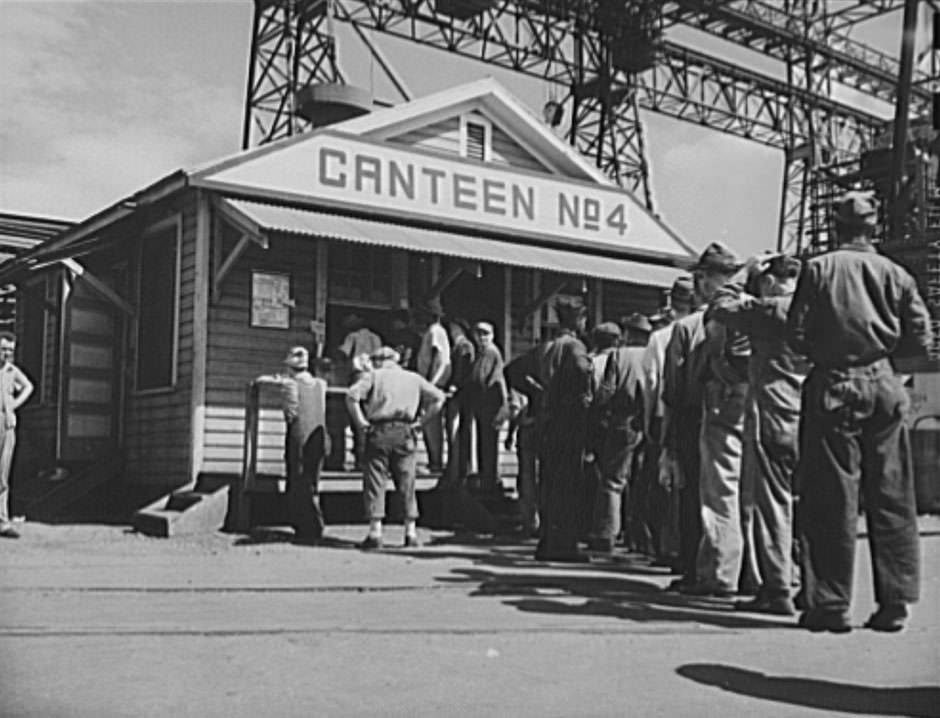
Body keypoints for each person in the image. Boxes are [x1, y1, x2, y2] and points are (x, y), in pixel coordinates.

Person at [786, 191, 932, 633]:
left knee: (831, 496)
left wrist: (827, 356)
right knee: (891, 495)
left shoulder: (818, 268)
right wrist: (888, 369)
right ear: (873, 226)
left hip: (833, 384)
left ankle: (830, 605)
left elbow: (796, 333)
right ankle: (895, 603)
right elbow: (922, 339)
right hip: (884, 385)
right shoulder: (897, 273)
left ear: (836, 226)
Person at [709, 253, 808, 615]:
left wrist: (744, 271)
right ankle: (812, 586)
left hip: (773, 415)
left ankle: (777, 586)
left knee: (773, 505)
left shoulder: (768, 310)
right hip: (814, 418)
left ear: (769, 281)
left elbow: (720, 303)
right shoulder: (818, 309)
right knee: (811, 507)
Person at [662, 244, 739, 593]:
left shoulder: (687, 328)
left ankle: (697, 569)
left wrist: (669, 434)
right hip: (737, 413)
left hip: (696, 415)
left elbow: (674, 387)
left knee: (695, 495)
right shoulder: (743, 319)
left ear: (708, 281)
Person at [683, 243, 754, 598]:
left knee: (720, 490)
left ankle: (719, 573)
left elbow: (715, 352)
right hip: (757, 399)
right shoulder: (756, 302)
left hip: (724, 398)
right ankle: (753, 574)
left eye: (702, 277)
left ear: (715, 278)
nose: (698, 284)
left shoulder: (720, 308)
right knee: (751, 490)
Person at [346, 346, 446, 549]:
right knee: (407, 482)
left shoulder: (373, 376)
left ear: (379, 360)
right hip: (405, 430)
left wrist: (361, 422)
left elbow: (351, 396)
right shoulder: (413, 378)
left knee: (375, 480)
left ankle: (375, 532)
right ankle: (410, 532)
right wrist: (422, 422)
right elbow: (439, 398)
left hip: (380, 430)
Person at [641, 276, 694, 567]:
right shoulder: (707, 325)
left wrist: (650, 420)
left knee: (663, 484)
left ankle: (667, 546)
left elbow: (651, 382)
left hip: (665, 411)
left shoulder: (661, 337)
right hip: (700, 410)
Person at [535, 298, 593, 562]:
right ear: (578, 319)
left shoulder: (547, 347)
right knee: (568, 484)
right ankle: (564, 544)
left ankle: (547, 540)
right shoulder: (574, 346)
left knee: (549, 481)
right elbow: (582, 369)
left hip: (548, 419)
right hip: (569, 420)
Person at [586, 315, 648, 554]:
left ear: (629, 334)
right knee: (641, 480)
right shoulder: (654, 354)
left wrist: (598, 408)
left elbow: (607, 390)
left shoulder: (620, 356)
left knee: (612, 479)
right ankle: (638, 537)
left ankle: (606, 533)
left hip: (623, 419)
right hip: (650, 420)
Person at [281, 346, 329, 542]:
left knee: (297, 480)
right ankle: (313, 525)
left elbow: (290, 413)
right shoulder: (321, 385)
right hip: (318, 436)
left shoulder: (290, 385)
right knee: (313, 480)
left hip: (299, 435)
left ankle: (306, 526)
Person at [463, 321, 508, 494]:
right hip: (485, 403)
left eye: (485, 334)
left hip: (490, 403)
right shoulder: (482, 353)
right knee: (485, 443)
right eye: (479, 333)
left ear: (492, 335)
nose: (482, 337)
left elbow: (480, 378)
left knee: (488, 444)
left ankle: (490, 482)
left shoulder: (490, 352)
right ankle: (487, 479)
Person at [337, 313, 382, 469]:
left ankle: (360, 459)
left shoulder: (352, 336)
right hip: (374, 378)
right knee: (372, 417)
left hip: (358, 377)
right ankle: (372, 458)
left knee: (358, 419)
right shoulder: (376, 338)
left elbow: (343, 354)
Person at [0, 331, 33, 539]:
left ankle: (2, 521)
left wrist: (13, 405)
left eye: (10, 351)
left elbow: (29, 387)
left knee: (2, 475)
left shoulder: (12, 371)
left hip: (5, 424)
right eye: (3, 349)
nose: (6, 354)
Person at [415, 298, 452, 473]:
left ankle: (435, 462)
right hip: (430, 381)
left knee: (431, 424)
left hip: (433, 382)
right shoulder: (432, 331)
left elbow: (441, 359)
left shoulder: (436, 331)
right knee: (430, 423)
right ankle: (434, 460)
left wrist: (432, 383)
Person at [442, 317, 475, 487]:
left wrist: (454, 385)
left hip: (461, 395)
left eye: (453, 329)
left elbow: (463, 370)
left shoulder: (464, 346)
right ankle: (457, 468)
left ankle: (459, 470)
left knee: (457, 431)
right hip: (461, 394)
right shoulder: (460, 346)